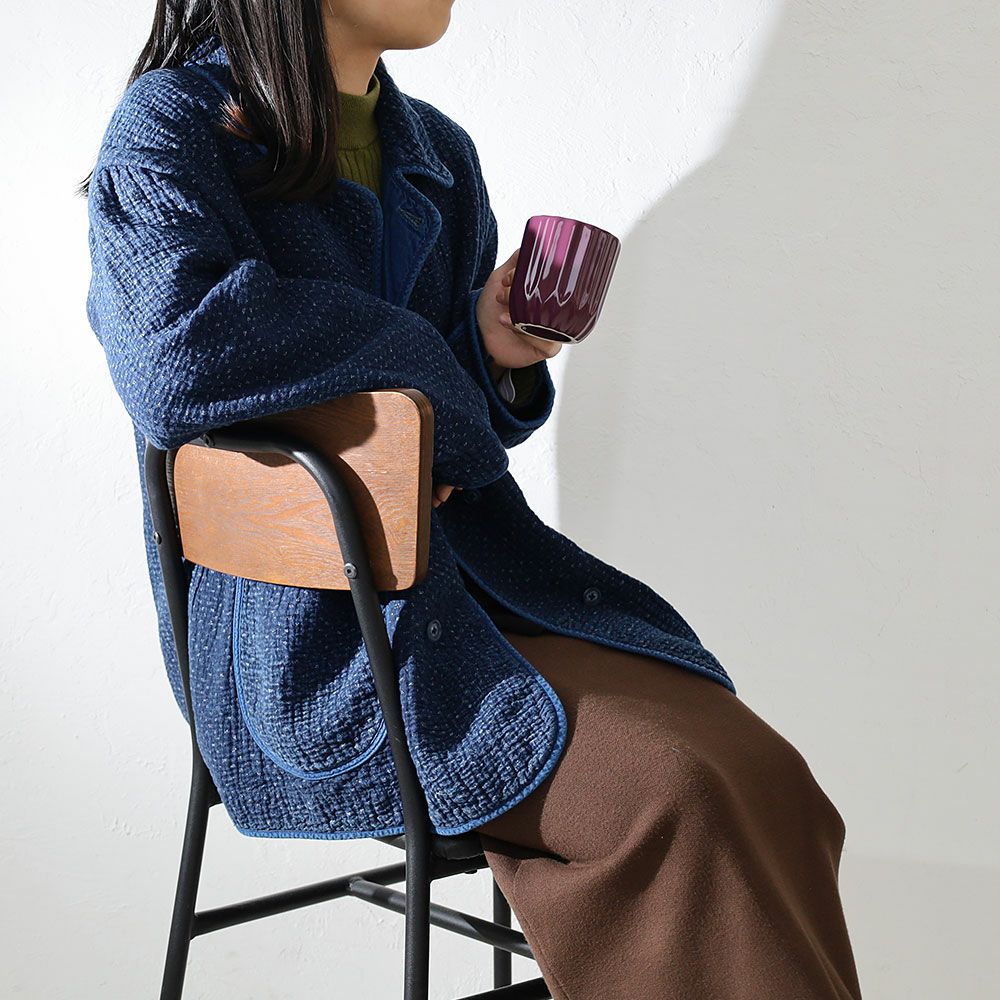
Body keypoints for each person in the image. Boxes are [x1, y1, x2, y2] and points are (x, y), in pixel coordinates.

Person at [81, 3, 862, 997]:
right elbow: (176, 355)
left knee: (769, 779)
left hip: (478, 596)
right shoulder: (173, 124)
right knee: (675, 790)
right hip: (308, 643)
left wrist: (488, 352)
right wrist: (421, 360)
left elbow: (448, 445)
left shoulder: (436, 155)